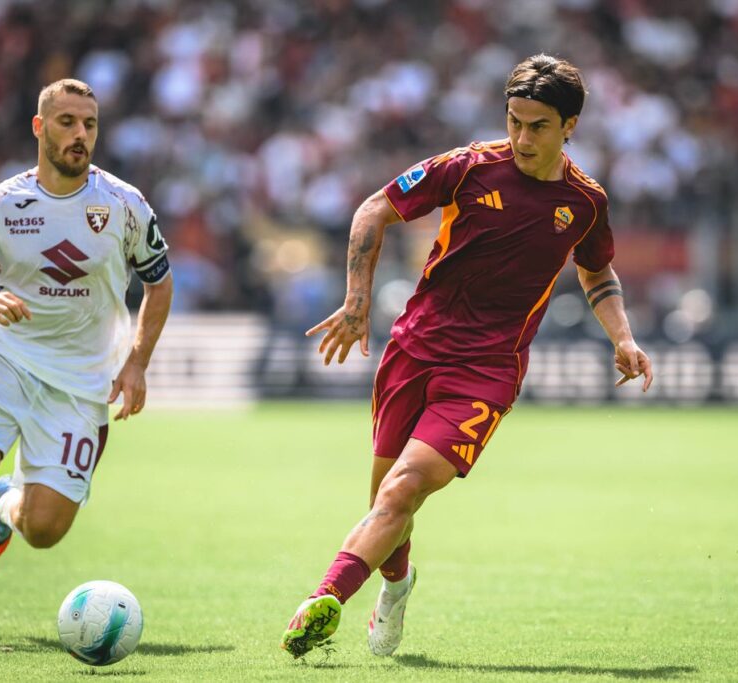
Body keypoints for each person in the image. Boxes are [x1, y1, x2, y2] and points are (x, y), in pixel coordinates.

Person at [280, 54, 653, 658]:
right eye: (514, 122)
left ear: (570, 127)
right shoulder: (467, 168)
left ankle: (323, 600)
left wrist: (623, 337)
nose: (522, 138)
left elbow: (596, 268)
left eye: (538, 126)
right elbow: (373, 208)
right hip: (414, 349)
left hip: (487, 371)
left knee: (402, 491)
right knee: (384, 504)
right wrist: (356, 302)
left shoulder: (585, 202)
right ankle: (397, 586)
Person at [0, 79, 173, 643]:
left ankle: (9, 504)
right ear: (40, 128)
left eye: (89, 124)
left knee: (44, 531)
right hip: (7, 358)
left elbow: (159, 284)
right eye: (67, 123)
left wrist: (136, 362)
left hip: (82, 382)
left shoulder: (125, 205)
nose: (80, 135)